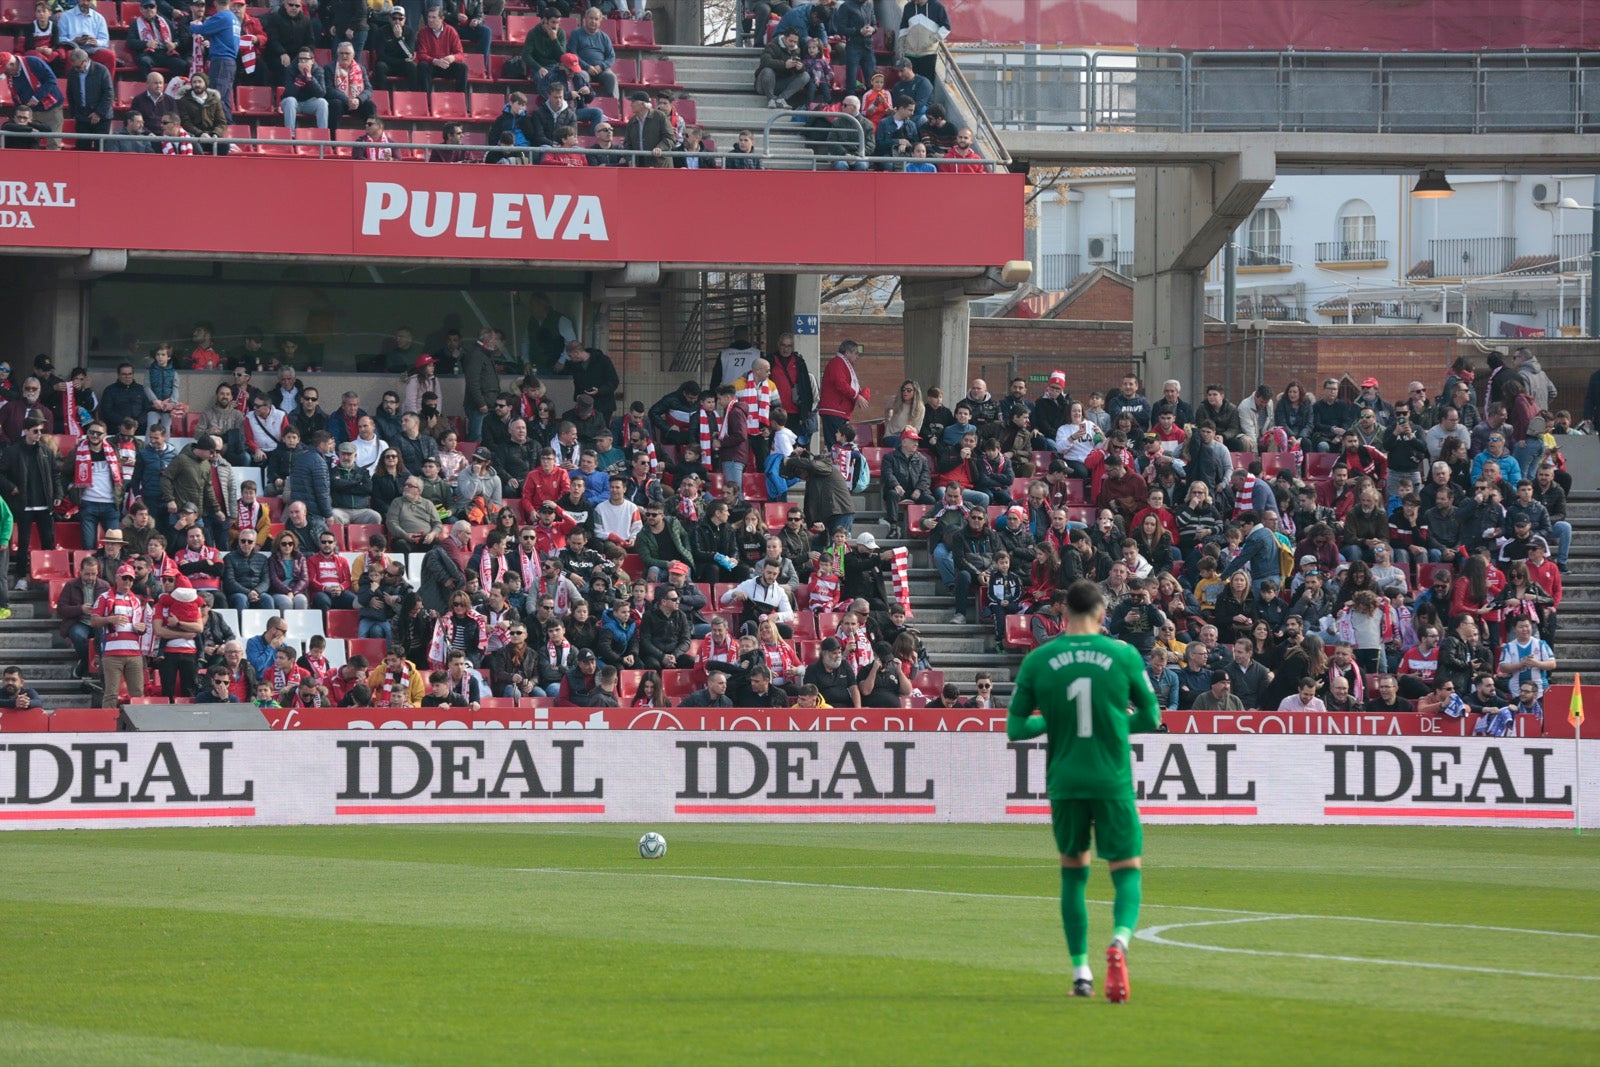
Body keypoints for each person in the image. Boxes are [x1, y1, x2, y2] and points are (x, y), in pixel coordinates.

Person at [1007, 580, 1158, 1003]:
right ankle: (1120, 942)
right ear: (1100, 614)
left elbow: (1016, 728)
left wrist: (1054, 722)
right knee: (1126, 869)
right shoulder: (1123, 654)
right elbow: (1151, 717)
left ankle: (1081, 974)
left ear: (1064, 614)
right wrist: (1113, 721)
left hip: (1066, 781)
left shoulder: (1040, 659)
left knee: (1073, 874)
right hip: (1111, 779)